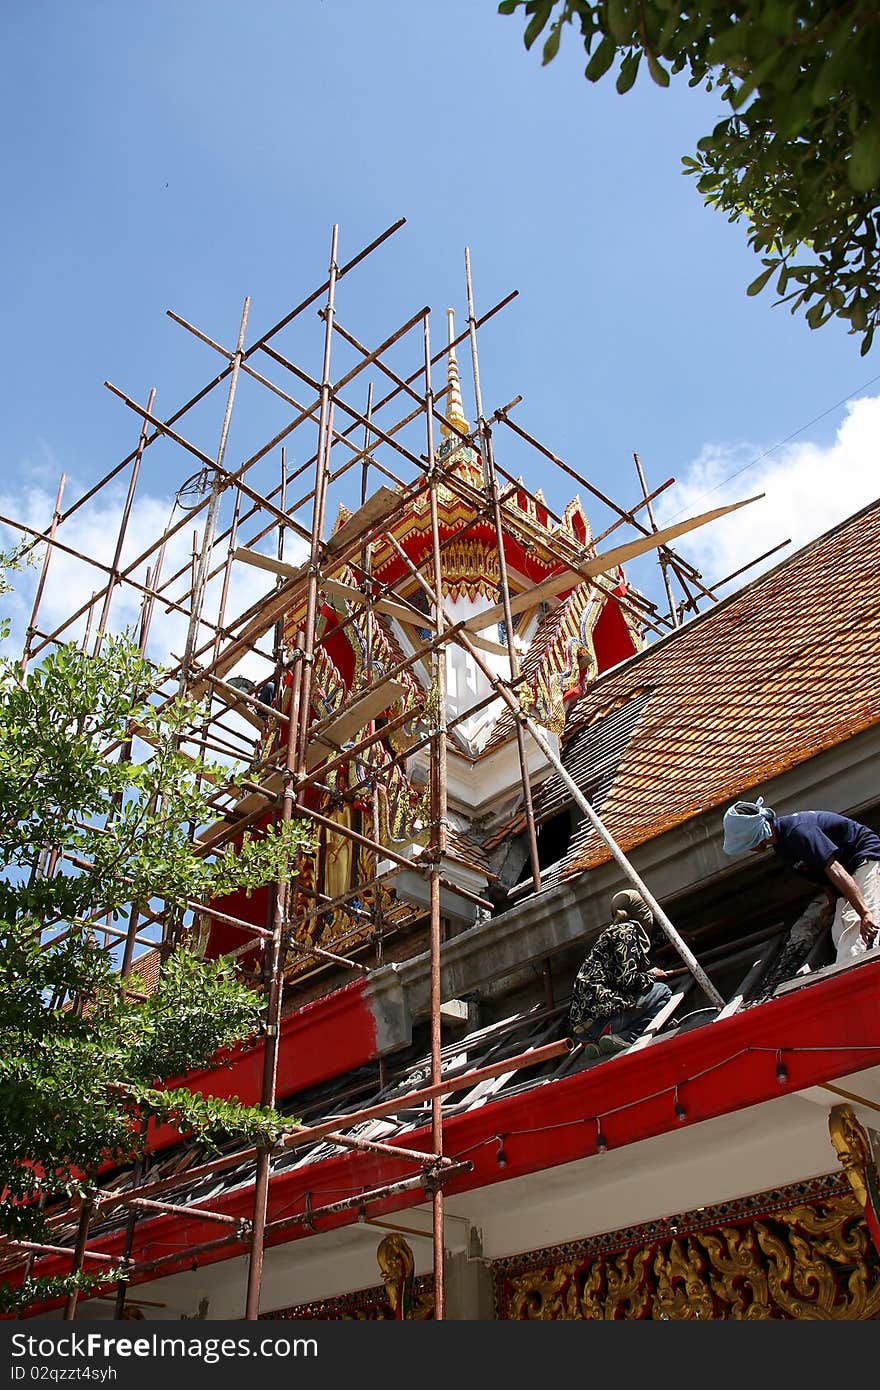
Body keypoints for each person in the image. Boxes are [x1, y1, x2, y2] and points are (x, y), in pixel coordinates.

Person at [721, 798, 880, 963]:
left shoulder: (798, 831)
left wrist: (864, 912)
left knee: (857, 930)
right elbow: (819, 873)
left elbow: (834, 869)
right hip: (846, 876)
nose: (749, 849)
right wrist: (832, 903)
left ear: (752, 834)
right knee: (839, 932)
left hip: (865, 860)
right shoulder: (782, 845)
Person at [566, 888, 673, 1057]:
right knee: (662, 991)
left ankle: (597, 1044)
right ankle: (625, 1037)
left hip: (582, 1029)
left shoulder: (610, 934)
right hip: (605, 1019)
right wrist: (652, 975)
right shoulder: (628, 932)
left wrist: (672, 936)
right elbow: (627, 980)